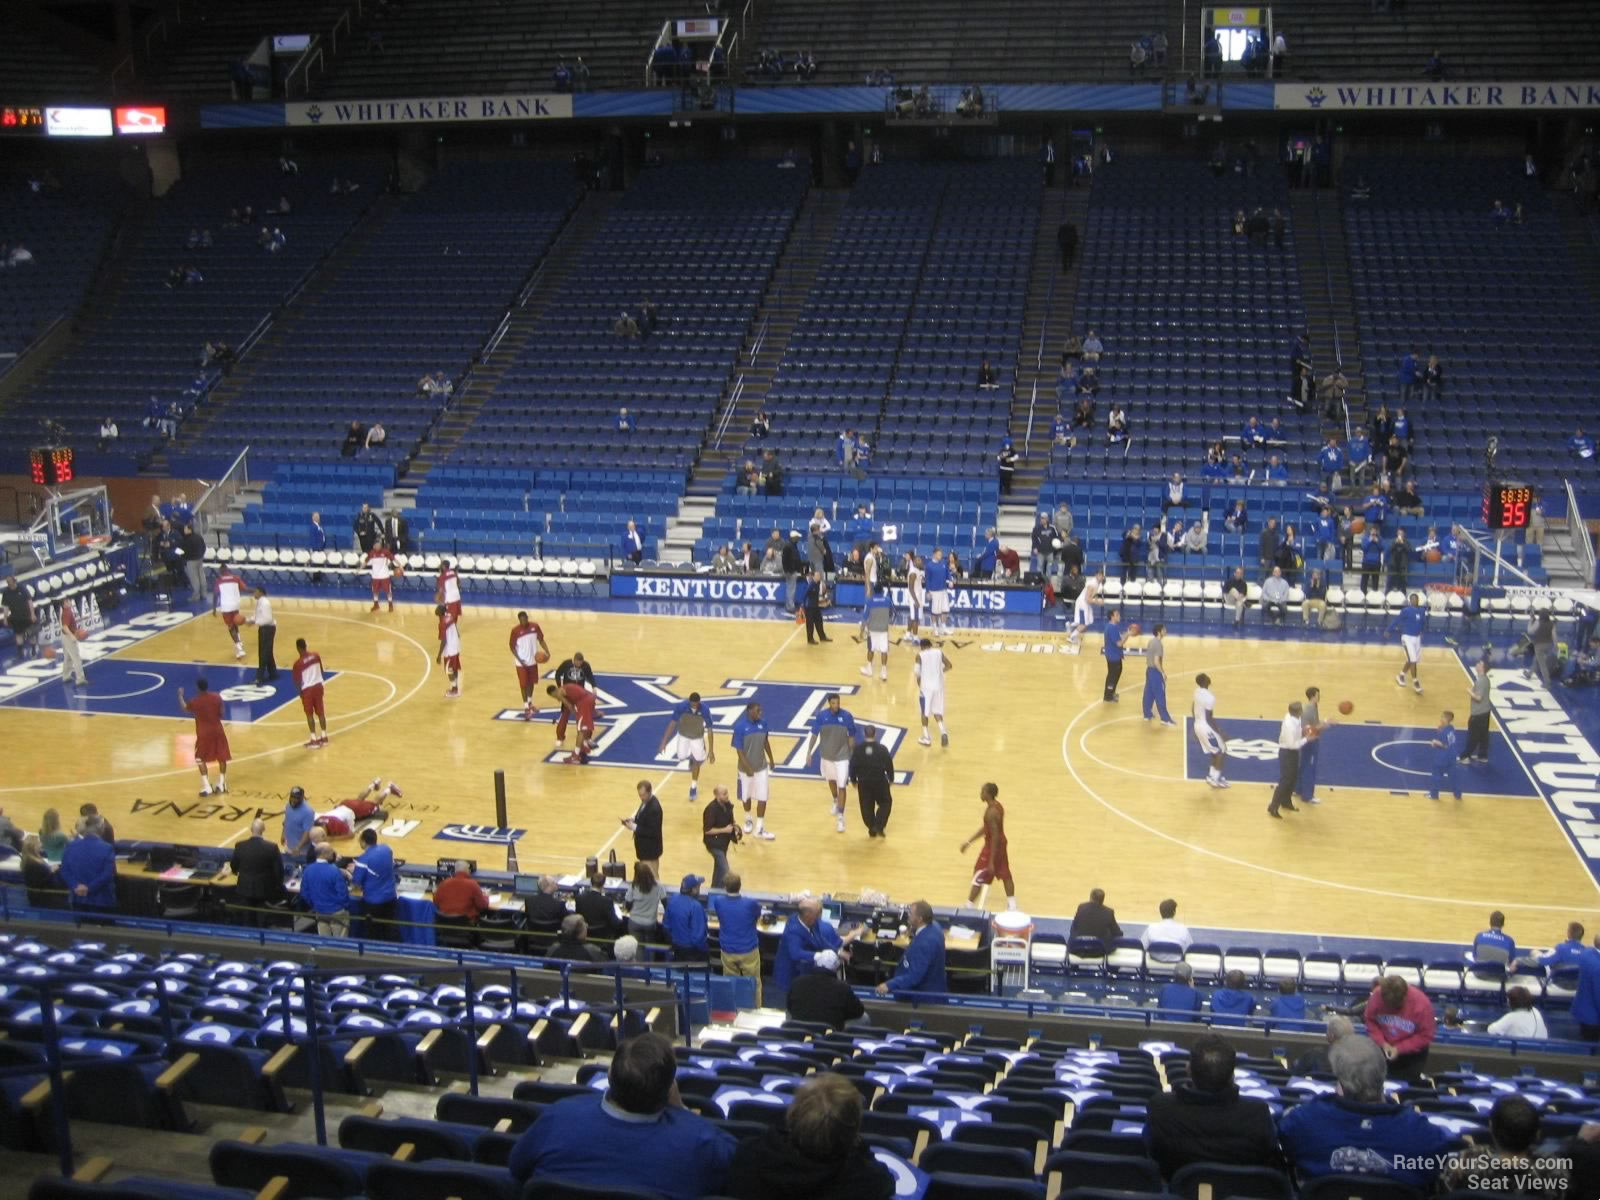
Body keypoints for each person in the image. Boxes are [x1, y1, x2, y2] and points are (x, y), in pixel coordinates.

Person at [507, 1032, 736, 1197]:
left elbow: (517, 1166)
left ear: (609, 1076)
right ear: (668, 1090)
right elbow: (743, 1166)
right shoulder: (701, 1141)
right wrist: (683, 1111)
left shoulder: (559, 1116)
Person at [1280, 1035, 1450, 1188]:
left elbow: (1286, 1143)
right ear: (1382, 1076)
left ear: (1342, 1082)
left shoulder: (1304, 1120)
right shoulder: (1422, 1133)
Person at [724, 1070, 891, 1200]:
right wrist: (862, 1150)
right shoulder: (868, 1183)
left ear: (792, 1115)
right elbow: (884, 1181)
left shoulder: (748, 1157)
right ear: (853, 1131)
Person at [1143, 1033, 1283, 1179]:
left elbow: (1150, 1148)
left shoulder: (1160, 1107)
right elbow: (1271, 1157)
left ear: (1188, 1069)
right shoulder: (1258, 1114)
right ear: (1232, 1076)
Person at [775, 898, 861, 1002]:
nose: (820, 915)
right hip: (790, 973)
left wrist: (837, 951)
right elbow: (795, 953)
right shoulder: (794, 930)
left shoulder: (812, 922)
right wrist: (820, 956)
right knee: (792, 1001)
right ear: (808, 915)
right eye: (818, 912)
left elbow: (819, 939)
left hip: (805, 971)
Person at [806, 693, 860, 834]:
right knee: (831, 781)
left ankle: (841, 817)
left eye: (838, 703)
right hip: (827, 756)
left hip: (843, 756)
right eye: (834, 703)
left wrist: (853, 755)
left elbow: (852, 737)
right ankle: (835, 800)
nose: (836, 705)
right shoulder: (822, 716)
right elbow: (814, 734)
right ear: (829, 703)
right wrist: (809, 752)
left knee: (842, 785)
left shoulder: (847, 716)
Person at [1364, 974, 1436, 1080]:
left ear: (1405, 996)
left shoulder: (1422, 1004)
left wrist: (1399, 1048)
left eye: (1396, 1005)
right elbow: (1370, 1020)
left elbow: (1426, 1035)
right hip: (1382, 1049)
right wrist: (1382, 1043)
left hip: (1411, 1057)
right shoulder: (1376, 997)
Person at [875, 899, 948, 997]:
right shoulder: (934, 926)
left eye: (911, 913)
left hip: (923, 997)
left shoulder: (925, 943)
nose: (908, 915)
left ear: (920, 919)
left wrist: (889, 985)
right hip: (935, 984)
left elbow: (914, 976)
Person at [710, 873, 762, 1005]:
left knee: (731, 982)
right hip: (748, 951)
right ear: (740, 886)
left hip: (728, 951)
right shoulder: (751, 903)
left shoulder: (718, 902)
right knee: (754, 982)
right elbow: (757, 915)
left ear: (725, 887)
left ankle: (733, 1008)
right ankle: (756, 1009)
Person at [962, 782, 1015, 910]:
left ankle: (968, 906)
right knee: (1005, 873)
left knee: (979, 873)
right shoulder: (997, 806)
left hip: (993, 846)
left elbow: (995, 836)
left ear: (988, 794)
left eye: (983, 792)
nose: (981, 794)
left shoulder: (991, 812)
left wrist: (991, 861)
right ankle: (1013, 905)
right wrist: (969, 842)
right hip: (1001, 844)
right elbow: (987, 829)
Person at [730, 701, 777, 840]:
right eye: (758, 710)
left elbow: (765, 742)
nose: (760, 713)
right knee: (747, 796)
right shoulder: (739, 727)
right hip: (745, 770)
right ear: (749, 711)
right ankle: (748, 818)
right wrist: (748, 768)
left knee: (763, 797)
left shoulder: (763, 724)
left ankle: (759, 828)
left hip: (762, 767)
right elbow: (739, 751)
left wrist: (772, 759)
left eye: (760, 710)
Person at [226, 818, 284, 926]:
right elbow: (279, 870)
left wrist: (237, 872)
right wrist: (278, 885)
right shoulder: (271, 847)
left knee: (248, 915)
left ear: (251, 829)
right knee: (262, 915)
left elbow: (234, 866)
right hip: (264, 889)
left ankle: (248, 936)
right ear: (263, 830)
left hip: (244, 887)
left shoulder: (240, 846)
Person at [659, 691, 714, 800]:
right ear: (689, 702)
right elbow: (672, 723)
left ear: (699, 702)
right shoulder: (681, 707)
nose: (694, 707)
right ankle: (691, 757)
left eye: (696, 704)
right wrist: (663, 742)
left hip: (697, 737)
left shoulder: (705, 710)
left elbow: (710, 729)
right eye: (692, 704)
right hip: (683, 735)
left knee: (697, 760)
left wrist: (711, 750)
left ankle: (693, 786)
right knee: (681, 757)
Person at [179, 678, 230, 795]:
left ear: (197, 688)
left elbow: (185, 708)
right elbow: (222, 713)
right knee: (222, 756)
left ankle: (207, 786)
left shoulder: (196, 701)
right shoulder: (217, 697)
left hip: (204, 733)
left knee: (200, 759)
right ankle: (222, 784)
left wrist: (181, 696)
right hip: (218, 731)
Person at [848, 724, 896, 838]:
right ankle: (879, 825)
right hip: (879, 781)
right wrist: (891, 777)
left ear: (864, 734)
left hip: (864, 782)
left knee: (866, 806)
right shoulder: (882, 749)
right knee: (885, 802)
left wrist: (853, 779)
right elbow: (889, 764)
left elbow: (853, 765)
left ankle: (872, 827)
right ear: (875, 734)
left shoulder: (858, 750)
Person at [59, 818, 117, 912]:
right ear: (102, 829)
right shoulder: (107, 848)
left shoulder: (71, 846)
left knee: (79, 925)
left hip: (77, 898)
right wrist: (89, 888)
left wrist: (75, 886)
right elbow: (108, 874)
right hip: (101, 900)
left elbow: (64, 870)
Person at [352, 826, 398, 940]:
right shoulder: (387, 849)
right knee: (389, 929)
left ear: (363, 841)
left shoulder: (363, 860)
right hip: (391, 897)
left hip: (374, 903)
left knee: (374, 932)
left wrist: (351, 872)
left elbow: (356, 884)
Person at [1267, 700, 1307, 819]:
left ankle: (1286, 801)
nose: (1302, 710)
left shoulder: (1294, 717)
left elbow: (1299, 731)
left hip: (1292, 753)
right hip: (1287, 752)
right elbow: (1292, 745)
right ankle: (1273, 806)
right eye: (1301, 709)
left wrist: (1304, 731)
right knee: (1286, 780)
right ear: (1298, 712)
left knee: (1293, 778)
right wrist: (1306, 739)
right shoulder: (1290, 725)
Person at [301, 845, 352, 937]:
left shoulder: (308, 870)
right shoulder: (334, 870)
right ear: (324, 854)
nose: (333, 853)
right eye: (331, 851)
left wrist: (315, 904)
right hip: (337, 912)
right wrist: (343, 907)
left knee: (324, 940)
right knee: (341, 941)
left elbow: (304, 893)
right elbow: (343, 893)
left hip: (319, 911)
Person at [508, 611, 550, 722]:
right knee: (523, 685)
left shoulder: (535, 626)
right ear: (519, 620)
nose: (524, 621)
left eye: (525, 619)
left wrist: (547, 651)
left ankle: (530, 703)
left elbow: (541, 640)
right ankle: (526, 708)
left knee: (531, 683)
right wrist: (519, 659)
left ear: (527, 617)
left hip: (533, 660)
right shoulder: (515, 631)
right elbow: (511, 647)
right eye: (521, 620)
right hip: (521, 663)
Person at [1193, 672, 1229, 788]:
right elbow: (1209, 718)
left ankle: (1212, 776)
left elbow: (1192, 707)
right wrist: (1219, 732)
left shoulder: (1196, 691)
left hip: (1198, 725)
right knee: (1221, 752)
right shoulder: (1210, 698)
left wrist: (1195, 726)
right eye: (1206, 677)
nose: (1209, 678)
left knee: (1215, 751)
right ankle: (1214, 779)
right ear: (1205, 681)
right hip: (1206, 727)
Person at [622, 780, 664, 878]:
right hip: (644, 850)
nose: (641, 797)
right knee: (647, 878)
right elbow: (643, 817)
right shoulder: (646, 801)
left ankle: (657, 894)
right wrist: (633, 820)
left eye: (643, 795)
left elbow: (653, 831)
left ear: (650, 792)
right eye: (639, 795)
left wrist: (634, 827)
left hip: (650, 851)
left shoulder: (654, 808)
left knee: (652, 878)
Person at [1387, 590, 1427, 694]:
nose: (1414, 601)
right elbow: (1397, 620)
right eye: (1412, 599)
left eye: (1416, 599)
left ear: (1418, 600)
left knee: (1412, 660)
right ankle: (1415, 682)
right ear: (1410, 601)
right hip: (1407, 637)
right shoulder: (1406, 611)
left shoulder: (1422, 611)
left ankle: (1400, 676)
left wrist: (1421, 631)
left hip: (1417, 638)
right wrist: (1389, 630)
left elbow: (1423, 622)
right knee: (1413, 660)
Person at [663, 875, 709, 962]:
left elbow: (666, 926)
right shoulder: (696, 906)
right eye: (698, 887)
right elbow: (698, 938)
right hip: (692, 952)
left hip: (676, 948)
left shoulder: (673, 899)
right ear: (694, 889)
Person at [701, 785, 738, 889]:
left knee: (718, 870)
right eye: (724, 794)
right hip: (714, 844)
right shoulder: (711, 809)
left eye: (727, 793)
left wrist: (735, 826)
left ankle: (714, 890)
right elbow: (707, 830)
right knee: (725, 870)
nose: (727, 796)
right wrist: (725, 830)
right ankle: (728, 892)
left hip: (723, 843)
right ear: (717, 796)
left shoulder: (728, 805)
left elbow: (731, 820)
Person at [625, 863, 667, 944]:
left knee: (637, 948)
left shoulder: (633, 886)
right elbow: (665, 904)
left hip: (634, 922)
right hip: (650, 923)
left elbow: (628, 906)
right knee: (650, 948)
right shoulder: (659, 886)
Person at [212, 562, 246, 661]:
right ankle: (239, 640)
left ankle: (239, 648)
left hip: (226, 606)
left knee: (231, 627)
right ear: (227, 570)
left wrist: (214, 608)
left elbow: (215, 595)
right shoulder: (236, 578)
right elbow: (244, 588)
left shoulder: (219, 581)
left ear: (220, 572)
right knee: (236, 622)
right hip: (236, 604)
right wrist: (255, 591)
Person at [1428, 710, 1463, 802]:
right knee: (1454, 777)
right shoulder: (1451, 728)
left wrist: (1435, 742)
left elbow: (1445, 745)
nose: (1440, 718)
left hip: (1442, 758)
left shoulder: (1443, 732)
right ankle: (1458, 795)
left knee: (1436, 776)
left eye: (1442, 717)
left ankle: (1434, 795)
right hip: (1452, 757)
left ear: (1446, 719)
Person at [56, 596, 88, 687]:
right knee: (76, 658)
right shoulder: (67, 612)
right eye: (68, 601)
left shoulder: (67, 612)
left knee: (68, 657)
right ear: (64, 603)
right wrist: (72, 637)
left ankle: (66, 676)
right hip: (68, 637)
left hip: (65, 636)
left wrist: (81, 619)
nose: (70, 602)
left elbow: (68, 624)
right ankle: (80, 679)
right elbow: (65, 627)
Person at [436, 603, 462, 698]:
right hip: (456, 646)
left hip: (450, 650)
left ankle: (455, 690)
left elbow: (444, 641)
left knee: (449, 670)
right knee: (454, 669)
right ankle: (456, 688)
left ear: (440, 613)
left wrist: (439, 655)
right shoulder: (450, 617)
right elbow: (457, 630)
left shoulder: (442, 624)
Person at [367, 538, 399, 613]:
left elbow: (393, 559)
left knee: (388, 591)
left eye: (379, 545)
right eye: (376, 545)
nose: (378, 546)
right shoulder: (371, 553)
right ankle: (376, 605)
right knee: (375, 592)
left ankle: (390, 605)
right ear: (374, 546)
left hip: (384, 576)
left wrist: (400, 566)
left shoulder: (385, 552)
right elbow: (365, 562)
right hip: (375, 576)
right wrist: (359, 569)